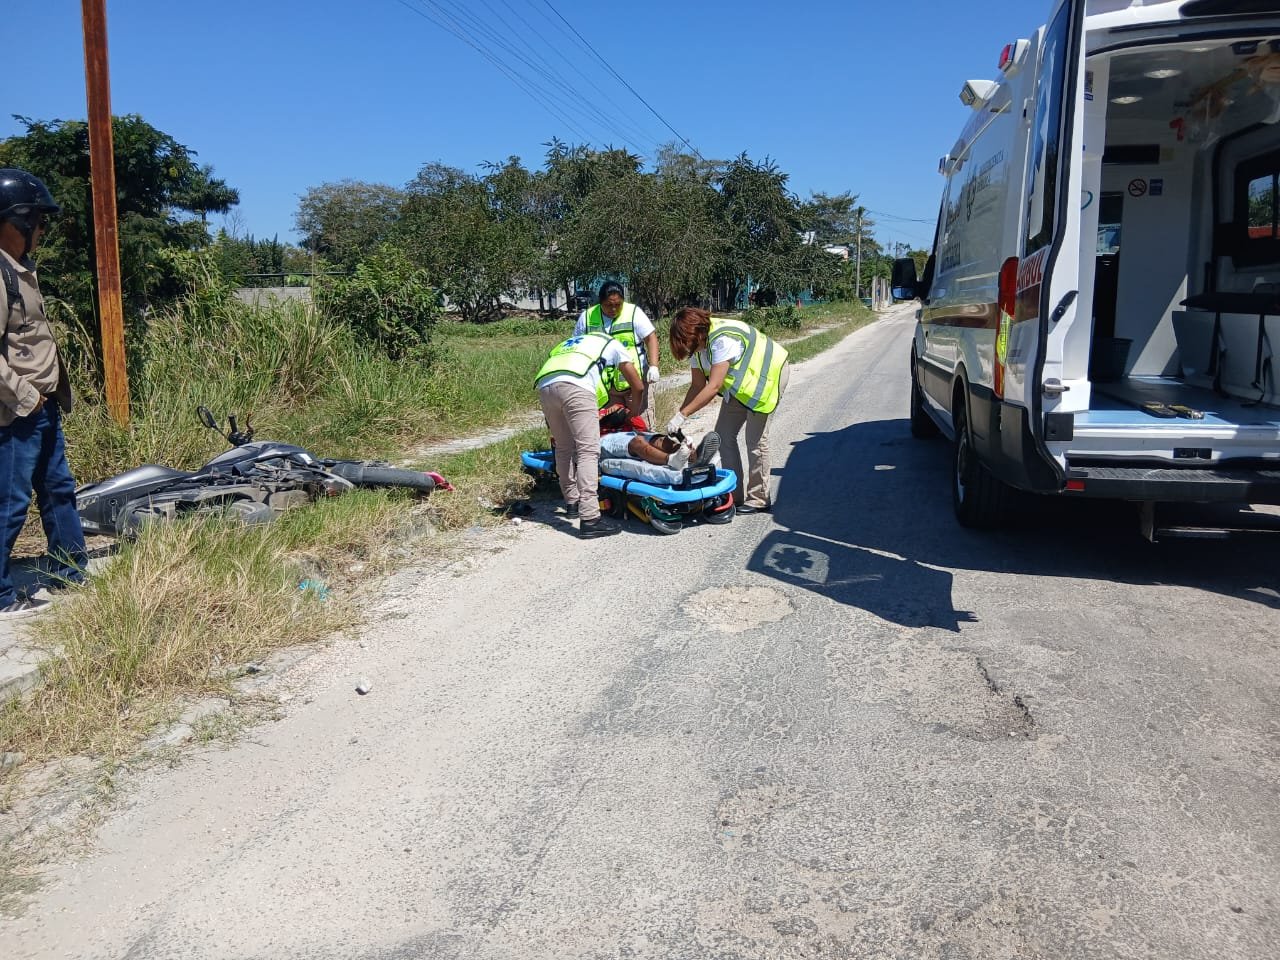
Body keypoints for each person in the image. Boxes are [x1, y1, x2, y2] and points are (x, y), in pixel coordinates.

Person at [0, 168, 87, 618]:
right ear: (15, 221)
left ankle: (70, 570)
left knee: (58, 490)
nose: (43, 229)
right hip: (16, 413)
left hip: (43, 407)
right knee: (10, 502)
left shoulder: (22, 271)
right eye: (38, 220)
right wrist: (25, 398)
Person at [665, 306, 789, 514]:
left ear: (696, 333)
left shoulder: (722, 339)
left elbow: (712, 387)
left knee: (755, 440)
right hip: (741, 386)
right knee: (723, 435)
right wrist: (679, 415)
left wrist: (683, 415)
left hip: (767, 377)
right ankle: (734, 493)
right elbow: (697, 386)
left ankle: (759, 497)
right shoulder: (697, 348)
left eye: (685, 342)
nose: (686, 349)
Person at [535, 332, 643, 538]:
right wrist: (634, 414)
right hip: (576, 386)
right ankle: (590, 518)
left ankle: (572, 503)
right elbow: (637, 385)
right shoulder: (613, 343)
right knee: (587, 451)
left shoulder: (570, 343)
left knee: (563, 446)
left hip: (545, 385)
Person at [574, 281, 660, 422]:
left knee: (641, 424)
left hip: (635, 382)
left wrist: (654, 366)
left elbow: (651, 338)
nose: (614, 309)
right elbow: (578, 347)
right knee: (613, 428)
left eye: (618, 304)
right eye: (609, 305)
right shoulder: (587, 317)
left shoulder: (633, 313)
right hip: (607, 388)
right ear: (600, 302)